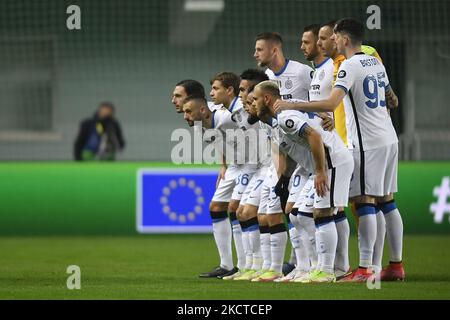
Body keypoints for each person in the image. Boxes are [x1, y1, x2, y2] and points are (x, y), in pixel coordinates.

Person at [273, 18, 404, 282]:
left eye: (333, 36)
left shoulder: (349, 65)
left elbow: (332, 103)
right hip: (389, 138)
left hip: (367, 143)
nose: (331, 41)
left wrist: (293, 105)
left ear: (344, 39)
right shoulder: (374, 59)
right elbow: (392, 98)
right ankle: (394, 265)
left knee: (364, 201)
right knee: (386, 201)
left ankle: (367, 268)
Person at [254, 31, 314, 275]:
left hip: (311, 151)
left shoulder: (301, 72)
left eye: (259, 49)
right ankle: (299, 263)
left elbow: (323, 101)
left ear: (274, 50)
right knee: (289, 208)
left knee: (313, 211)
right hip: (284, 153)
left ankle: (328, 266)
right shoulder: (266, 79)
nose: (254, 54)